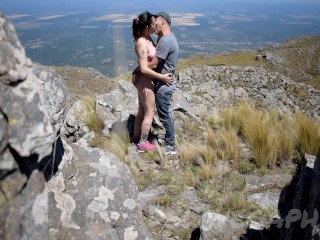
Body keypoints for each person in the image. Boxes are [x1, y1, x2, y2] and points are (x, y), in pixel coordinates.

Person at [131, 11, 173, 152]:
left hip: (145, 80)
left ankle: (136, 138)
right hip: (144, 80)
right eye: (153, 24)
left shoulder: (147, 37)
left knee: (142, 111)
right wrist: (162, 77)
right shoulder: (142, 42)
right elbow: (143, 69)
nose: (155, 26)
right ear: (147, 27)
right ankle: (143, 143)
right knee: (150, 112)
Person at [148, 12, 179, 155]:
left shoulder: (166, 41)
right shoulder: (166, 38)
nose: (154, 24)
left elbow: (153, 64)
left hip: (164, 86)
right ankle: (168, 138)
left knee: (165, 115)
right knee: (165, 114)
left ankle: (171, 145)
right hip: (165, 83)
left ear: (163, 21)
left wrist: (140, 67)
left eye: (156, 21)